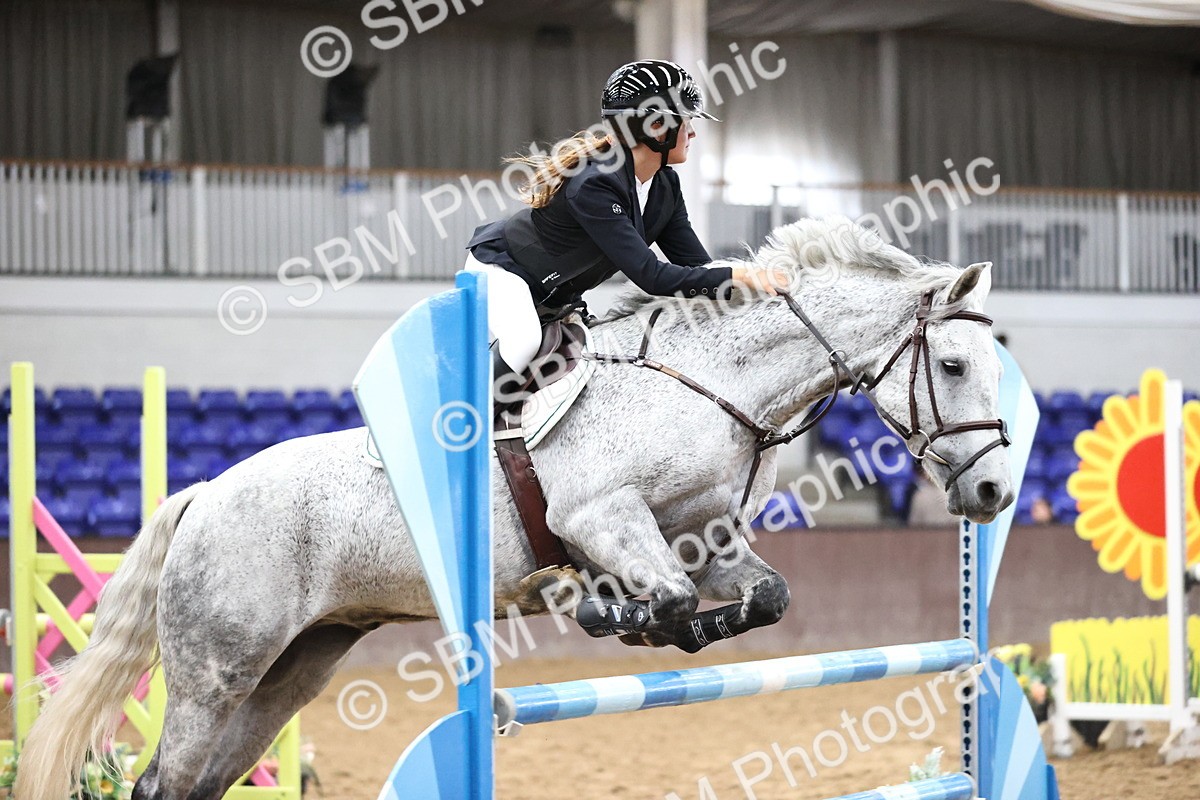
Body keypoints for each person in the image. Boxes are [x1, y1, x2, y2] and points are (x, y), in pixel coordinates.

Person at [464, 59, 790, 413]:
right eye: (686, 122)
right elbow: (652, 276)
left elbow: (696, 265)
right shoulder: (594, 183)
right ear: (655, 127)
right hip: (503, 271)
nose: (693, 133)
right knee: (522, 341)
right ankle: (462, 431)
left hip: (555, 295)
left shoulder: (665, 184)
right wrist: (740, 275)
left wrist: (751, 290)